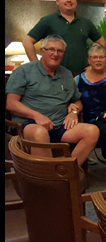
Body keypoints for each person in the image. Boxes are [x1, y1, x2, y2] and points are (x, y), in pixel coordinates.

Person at [6, 35, 99, 167]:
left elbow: (78, 101)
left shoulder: (66, 74)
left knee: (92, 131)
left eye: (60, 51)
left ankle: (65, 171)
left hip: (60, 125)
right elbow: (11, 103)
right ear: (42, 51)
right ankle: (49, 180)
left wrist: (73, 112)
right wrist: (36, 116)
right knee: (40, 132)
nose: (55, 54)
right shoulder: (24, 71)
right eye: (51, 49)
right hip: (29, 125)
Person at [22, 0, 105, 74]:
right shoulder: (47, 21)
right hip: (55, 76)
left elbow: (102, 43)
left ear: (76, 1)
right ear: (57, 1)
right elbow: (27, 42)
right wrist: (37, 67)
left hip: (81, 75)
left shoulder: (86, 22)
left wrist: (93, 65)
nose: (68, 0)